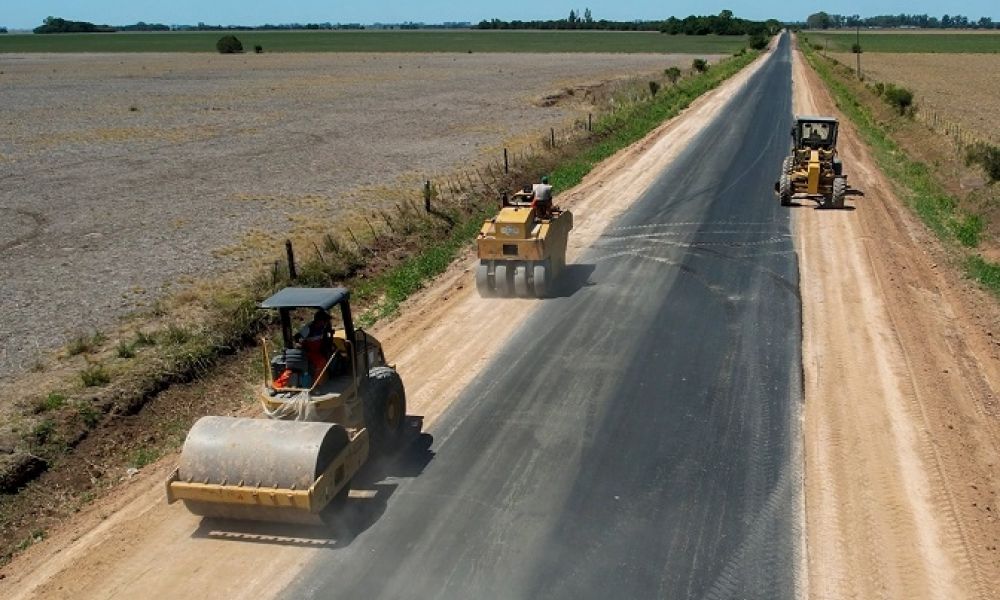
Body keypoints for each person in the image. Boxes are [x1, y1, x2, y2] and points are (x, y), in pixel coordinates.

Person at [295, 309, 334, 384]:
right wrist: (302, 346)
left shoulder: (323, 327)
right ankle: (316, 384)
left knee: (329, 354)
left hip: (317, 350)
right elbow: (297, 337)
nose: (326, 323)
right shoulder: (308, 328)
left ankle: (327, 377)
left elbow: (323, 338)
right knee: (321, 361)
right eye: (325, 321)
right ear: (319, 321)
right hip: (308, 352)